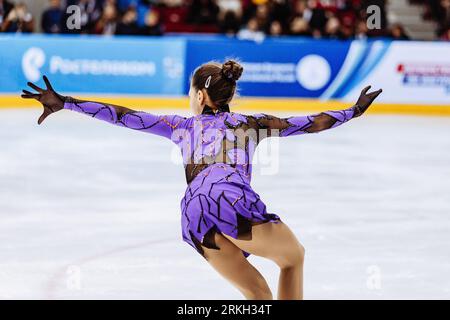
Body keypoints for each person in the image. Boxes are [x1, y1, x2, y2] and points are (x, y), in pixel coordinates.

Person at [22, 60, 382, 300]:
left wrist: (67, 102)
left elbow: (124, 116)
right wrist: (353, 111)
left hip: (193, 210)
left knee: (258, 295)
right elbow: (307, 123)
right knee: (293, 258)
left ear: (199, 95)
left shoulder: (181, 126)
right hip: (227, 193)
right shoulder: (250, 124)